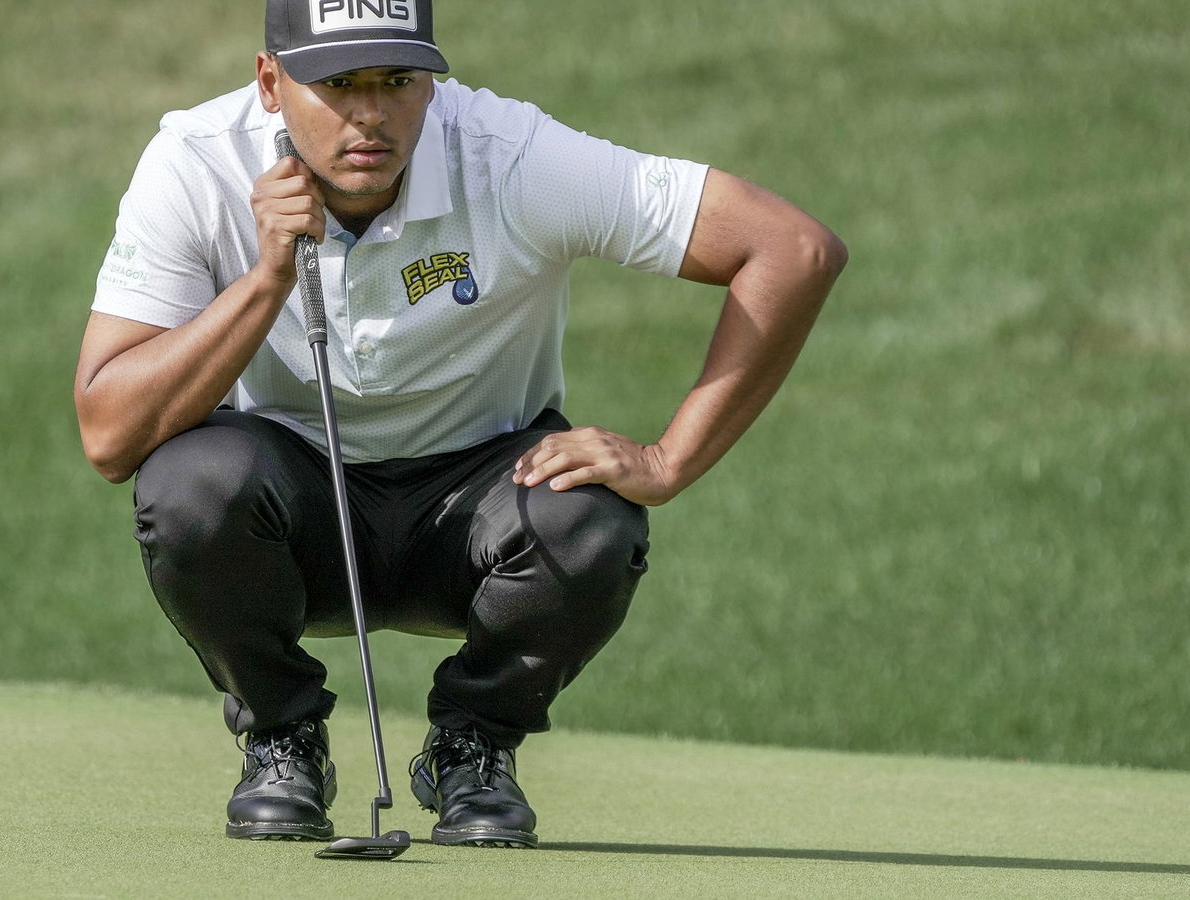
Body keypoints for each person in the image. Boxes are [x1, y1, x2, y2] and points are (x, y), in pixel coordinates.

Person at [74, 0, 846, 849]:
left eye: (399, 81)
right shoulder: (196, 161)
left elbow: (792, 249)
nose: (372, 112)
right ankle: (281, 736)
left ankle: (473, 744)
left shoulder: (512, 156)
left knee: (589, 516)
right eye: (338, 84)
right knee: (190, 487)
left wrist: (668, 460)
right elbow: (110, 437)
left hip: (481, 516)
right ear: (270, 81)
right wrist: (264, 282)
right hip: (293, 520)